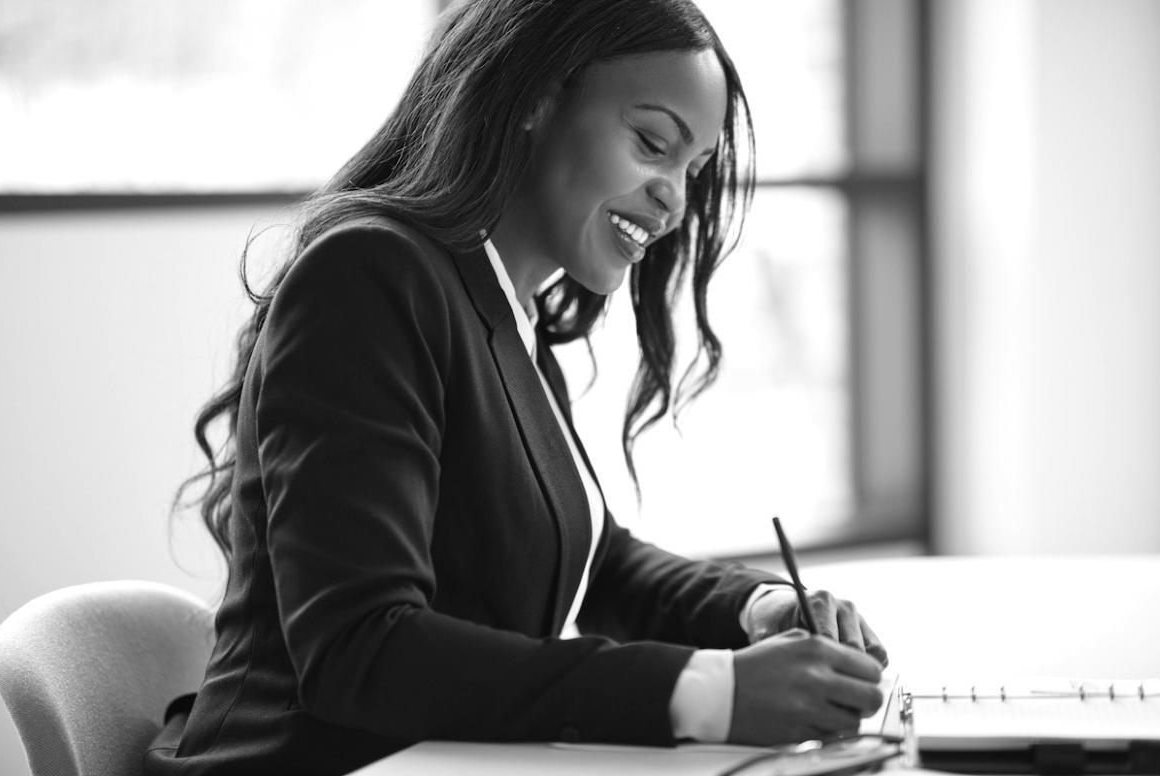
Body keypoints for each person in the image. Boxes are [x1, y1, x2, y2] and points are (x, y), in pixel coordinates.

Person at [147, 1, 888, 774]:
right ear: (537, 97)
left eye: (692, 169)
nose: (674, 198)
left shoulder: (508, 313)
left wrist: (750, 607)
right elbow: (360, 649)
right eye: (652, 143)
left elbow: (594, 560)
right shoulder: (372, 277)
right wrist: (707, 693)